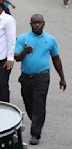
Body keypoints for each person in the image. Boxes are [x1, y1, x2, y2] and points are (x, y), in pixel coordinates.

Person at [14, 14, 66, 145]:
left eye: (39, 22)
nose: (37, 25)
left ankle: (35, 134)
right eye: (34, 23)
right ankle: (36, 120)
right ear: (30, 24)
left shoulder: (50, 40)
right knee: (29, 104)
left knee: (39, 104)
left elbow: (56, 59)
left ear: (44, 23)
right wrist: (24, 52)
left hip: (42, 77)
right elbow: (16, 57)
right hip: (26, 78)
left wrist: (62, 77)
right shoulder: (22, 38)